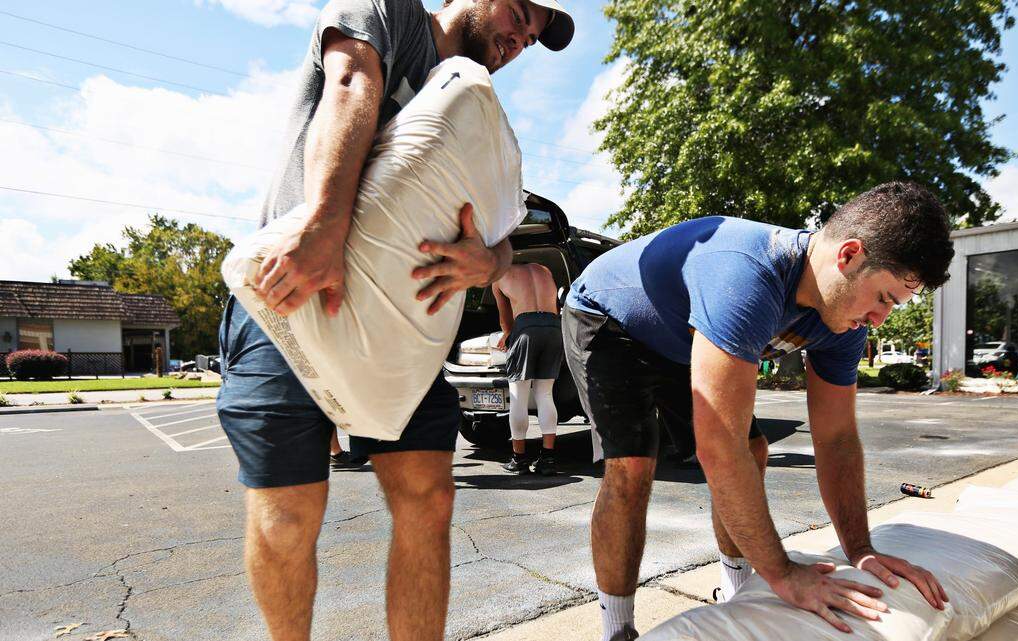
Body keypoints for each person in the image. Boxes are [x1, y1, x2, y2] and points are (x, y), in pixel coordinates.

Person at [215, 1, 574, 640]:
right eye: (519, 12)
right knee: (290, 514)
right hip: (293, 300)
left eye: (532, 37)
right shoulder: (387, 12)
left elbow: (503, 233)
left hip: (396, 335)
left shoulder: (472, 110)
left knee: (429, 501)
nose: (520, 38)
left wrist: (485, 262)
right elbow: (352, 82)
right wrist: (325, 225)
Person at [562, 182, 955, 640]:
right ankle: (617, 628)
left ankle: (736, 590)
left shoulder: (845, 322)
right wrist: (783, 573)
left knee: (753, 450)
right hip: (611, 318)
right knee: (632, 465)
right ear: (848, 256)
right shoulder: (750, 277)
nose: (880, 319)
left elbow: (837, 438)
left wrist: (861, 549)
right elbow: (716, 448)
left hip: (683, 333)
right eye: (885, 298)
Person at [491, 263, 563, 475]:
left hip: (526, 328)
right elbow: (556, 307)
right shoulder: (545, 270)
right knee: (545, 394)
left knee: (518, 396)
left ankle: (519, 459)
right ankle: (548, 458)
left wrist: (507, 335)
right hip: (553, 327)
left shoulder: (500, 274)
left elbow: (506, 321)